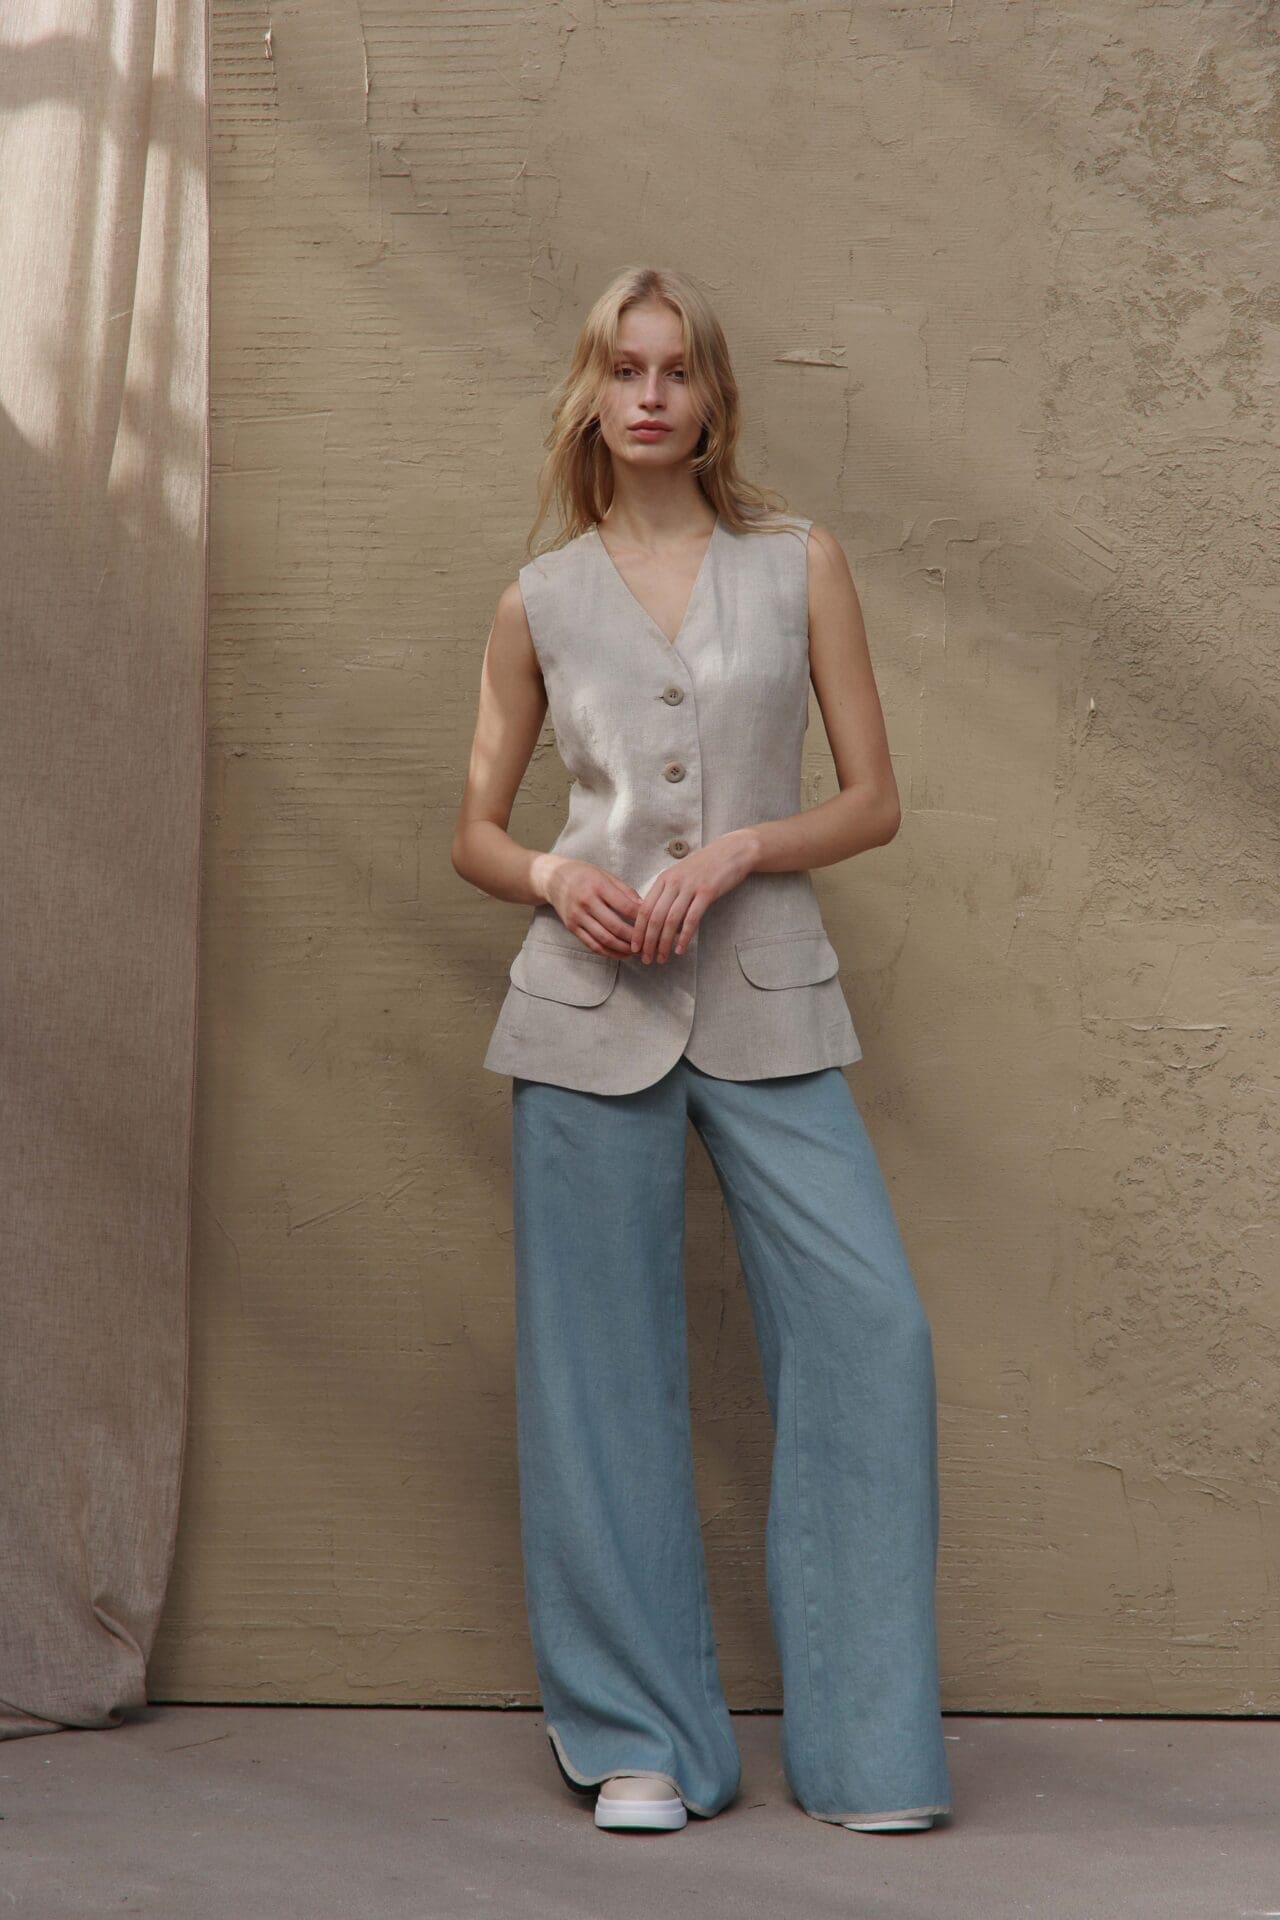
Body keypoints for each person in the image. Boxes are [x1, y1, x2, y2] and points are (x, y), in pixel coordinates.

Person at [451, 265, 952, 1838]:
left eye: (677, 370)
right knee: (596, 1378)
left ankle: (869, 1752)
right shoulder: (539, 600)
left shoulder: (800, 566)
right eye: (626, 368)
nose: (652, 394)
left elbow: (872, 801)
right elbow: (475, 830)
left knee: (870, 1331)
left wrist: (742, 849)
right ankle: (641, 1743)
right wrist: (555, 878)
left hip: (769, 990)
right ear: (593, 394)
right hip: (582, 1006)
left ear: (715, 396)